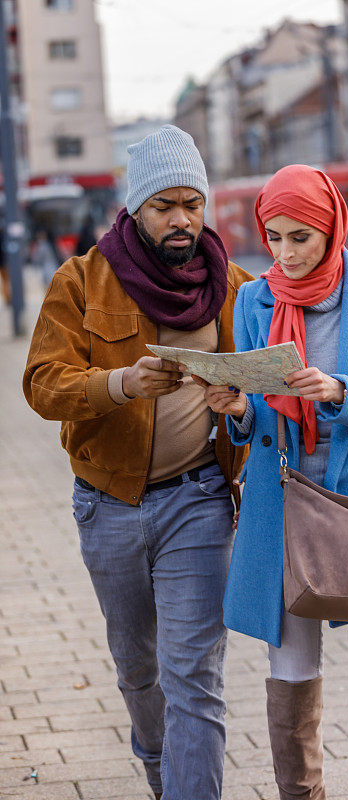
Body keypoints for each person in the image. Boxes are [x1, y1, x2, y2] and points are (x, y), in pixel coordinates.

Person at [23, 125, 253, 800]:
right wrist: (122, 382)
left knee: (195, 676)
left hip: (201, 502)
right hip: (109, 505)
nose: (182, 218)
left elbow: (263, 392)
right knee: (139, 672)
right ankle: (160, 773)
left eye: (192, 202)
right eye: (165, 205)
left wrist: (240, 399)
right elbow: (41, 384)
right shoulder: (82, 280)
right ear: (135, 209)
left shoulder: (234, 286)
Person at [200, 164, 348, 799]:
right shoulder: (254, 300)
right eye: (273, 237)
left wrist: (340, 393)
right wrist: (238, 409)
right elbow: (259, 420)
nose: (284, 253)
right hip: (283, 512)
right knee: (291, 671)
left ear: (332, 228)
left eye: (299, 237)